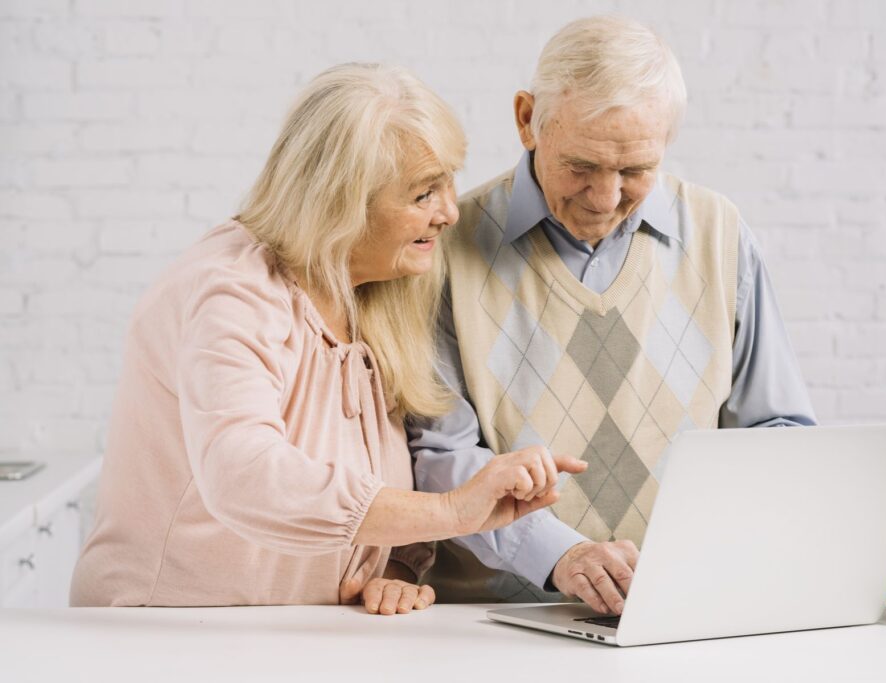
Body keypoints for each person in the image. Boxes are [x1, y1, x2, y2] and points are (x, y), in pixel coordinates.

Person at [70, 63, 586, 613]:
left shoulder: (372, 292)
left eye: (448, 181)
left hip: (297, 637)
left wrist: (391, 564)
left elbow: (373, 478)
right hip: (161, 635)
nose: (449, 212)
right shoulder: (230, 293)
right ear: (340, 202)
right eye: (422, 194)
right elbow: (245, 475)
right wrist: (453, 511)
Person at [408, 16, 817, 614]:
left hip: (681, 608)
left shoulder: (720, 235)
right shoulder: (444, 247)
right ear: (528, 120)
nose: (605, 198)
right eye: (580, 166)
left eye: (634, 171)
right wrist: (563, 556)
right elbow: (440, 456)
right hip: (489, 618)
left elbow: (777, 433)